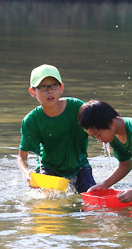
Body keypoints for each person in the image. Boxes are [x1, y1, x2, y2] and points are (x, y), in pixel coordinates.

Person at [17, 64, 95, 192]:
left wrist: (110, 141)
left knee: (91, 196)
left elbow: (100, 128)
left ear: (61, 88)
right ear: (32, 92)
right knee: (49, 204)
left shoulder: (77, 107)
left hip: (79, 167)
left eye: (54, 85)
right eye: (43, 87)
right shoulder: (31, 120)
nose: (50, 91)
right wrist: (27, 175)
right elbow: (21, 157)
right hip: (48, 168)